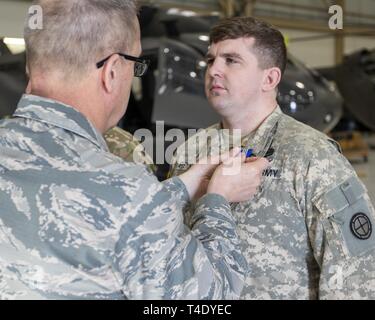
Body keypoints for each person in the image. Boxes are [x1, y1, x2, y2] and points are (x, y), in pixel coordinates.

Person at [0, 1, 269, 300]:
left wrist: (181, 187)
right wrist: (217, 201)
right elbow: (209, 299)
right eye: (135, 65)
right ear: (113, 71)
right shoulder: (128, 189)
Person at [169, 16, 375, 299]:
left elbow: (356, 276)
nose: (214, 70)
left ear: (269, 78)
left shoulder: (311, 155)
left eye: (231, 60)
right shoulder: (189, 153)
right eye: (211, 60)